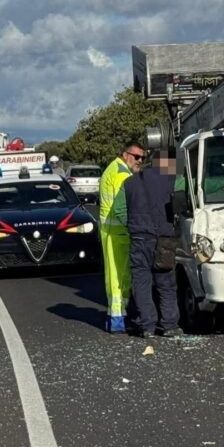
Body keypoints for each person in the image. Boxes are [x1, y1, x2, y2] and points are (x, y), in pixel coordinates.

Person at [118, 149, 182, 338]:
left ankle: (147, 326)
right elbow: (181, 204)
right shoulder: (173, 179)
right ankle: (170, 325)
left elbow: (120, 212)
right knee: (166, 284)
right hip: (164, 238)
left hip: (139, 238)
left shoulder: (128, 183)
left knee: (141, 283)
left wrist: (134, 228)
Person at [98, 141, 144, 332]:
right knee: (120, 277)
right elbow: (123, 207)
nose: (139, 161)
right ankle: (118, 321)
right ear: (125, 154)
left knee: (114, 277)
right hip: (118, 233)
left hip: (111, 232)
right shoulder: (121, 174)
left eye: (142, 157)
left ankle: (115, 318)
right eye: (136, 156)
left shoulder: (113, 169)